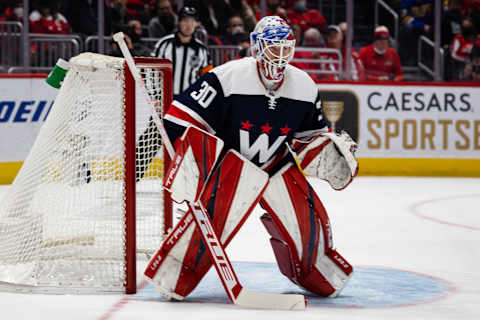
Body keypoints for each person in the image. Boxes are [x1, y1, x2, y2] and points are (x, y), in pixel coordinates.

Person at [144, 16, 357, 302]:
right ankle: (176, 274)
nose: (279, 56)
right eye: (273, 47)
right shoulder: (228, 76)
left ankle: (315, 272)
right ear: (257, 47)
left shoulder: (304, 85)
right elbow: (180, 117)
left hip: (277, 165)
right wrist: (190, 160)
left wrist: (327, 154)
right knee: (206, 227)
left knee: (308, 221)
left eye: (285, 48)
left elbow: (308, 137)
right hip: (233, 165)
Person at [151, 6, 212, 97]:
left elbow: (207, 77)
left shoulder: (202, 49)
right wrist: (154, 94)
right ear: (179, 22)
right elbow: (151, 70)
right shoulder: (164, 44)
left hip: (189, 99)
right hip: (165, 96)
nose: (189, 25)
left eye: (192, 21)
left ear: (196, 24)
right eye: (185, 20)